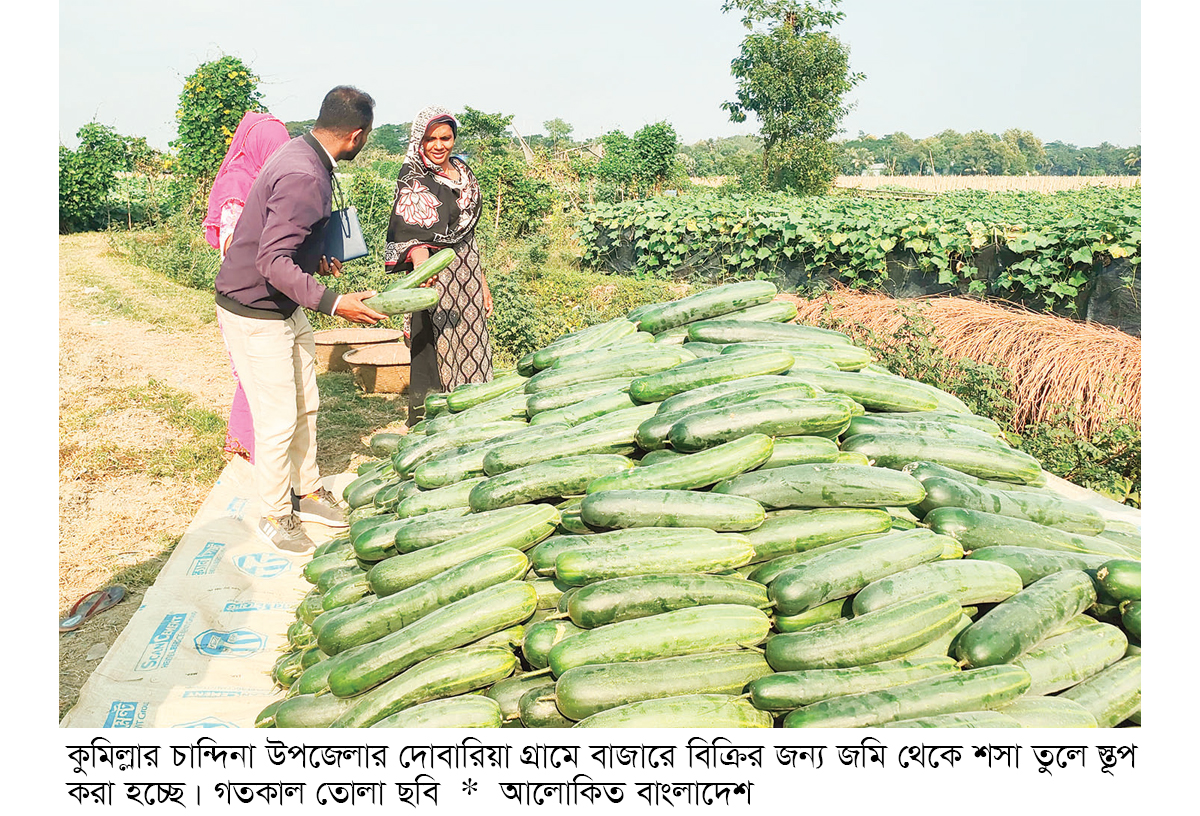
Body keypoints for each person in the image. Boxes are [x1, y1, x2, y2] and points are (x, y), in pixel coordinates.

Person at [214, 86, 387, 554]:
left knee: (305, 402)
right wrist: (335, 302)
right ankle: (274, 514)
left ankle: (305, 490)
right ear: (356, 135)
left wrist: (316, 255)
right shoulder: (303, 174)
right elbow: (272, 260)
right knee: (275, 419)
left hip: (284, 305)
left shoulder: (304, 152)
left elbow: (287, 239)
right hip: (255, 309)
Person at [384, 105, 494, 426]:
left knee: (473, 343)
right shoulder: (414, 177)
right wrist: (424, 271)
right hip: (435, 271)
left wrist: (482, 282)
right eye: (430, 138)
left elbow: (469, 231)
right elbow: (411, 232)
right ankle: (437, 422)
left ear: (454, 138)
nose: (438, 145)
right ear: (420, 139)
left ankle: (475, 413)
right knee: (437, 345)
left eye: (445, 137)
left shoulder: (463, 171)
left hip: (468, 269)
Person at [203, 110, 291, 463]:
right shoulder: (238, 184)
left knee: (262, 375)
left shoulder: (267, 181)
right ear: (259, 147)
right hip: (244, 295)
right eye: (274, 149)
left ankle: (249, 442)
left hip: (267, 290)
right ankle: (254, 447)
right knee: (257, 374)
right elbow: (231, 247)